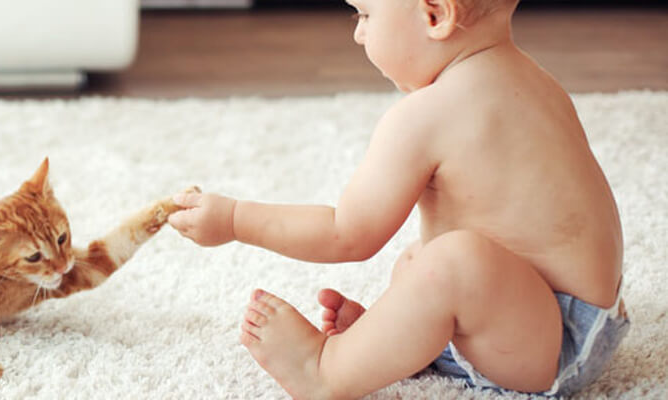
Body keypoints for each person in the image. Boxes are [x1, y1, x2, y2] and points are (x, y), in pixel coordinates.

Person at [166, 0, 630, 397]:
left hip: (548, 344)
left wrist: (234, 219)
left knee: (451, 261)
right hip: (580, 319)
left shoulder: (424, 117)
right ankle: (398, 344)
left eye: (365, 14)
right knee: (419, 261)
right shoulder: (534, 80)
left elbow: (346, 234)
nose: (358, 34)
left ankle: (326, 371)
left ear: (434, 15)